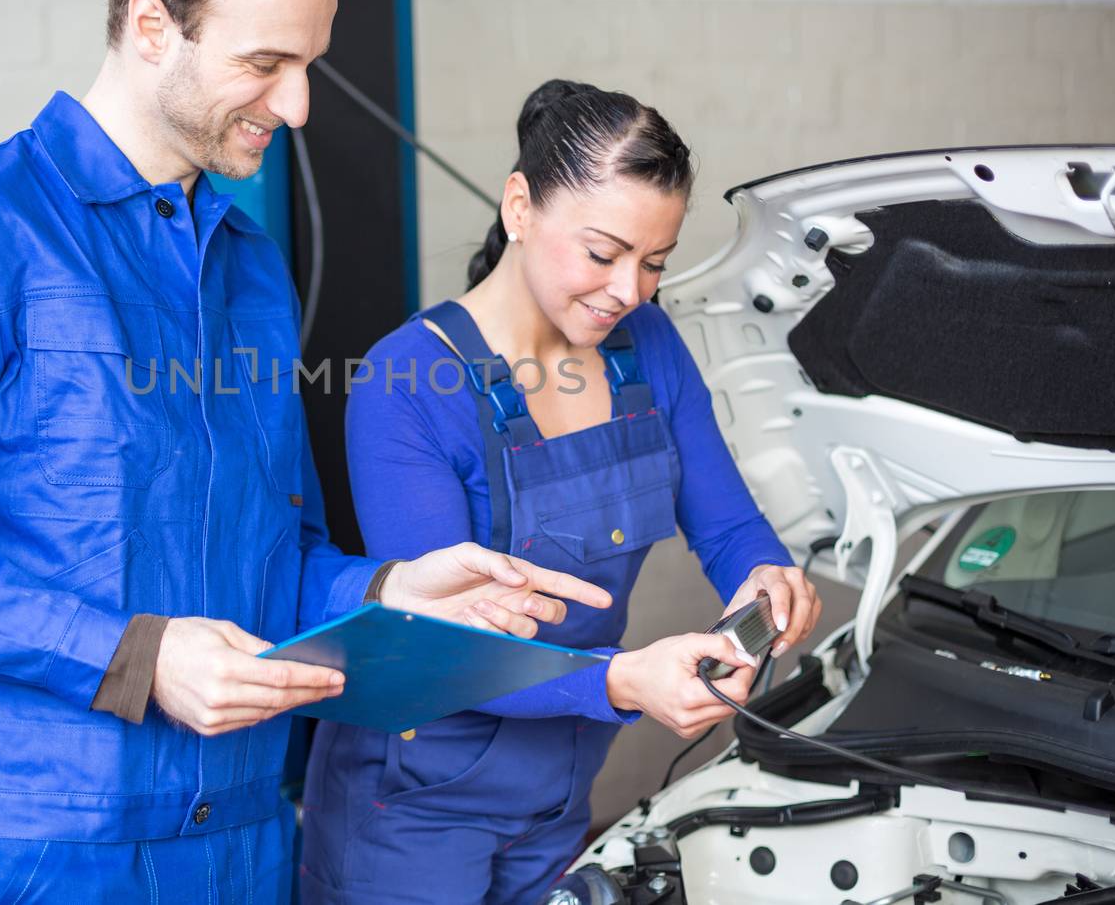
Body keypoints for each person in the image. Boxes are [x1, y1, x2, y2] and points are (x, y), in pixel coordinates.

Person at [0, 0, 610, 904]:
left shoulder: (248, 267)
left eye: (309, 62)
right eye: (266, 60)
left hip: (240, 818)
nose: (300, 103)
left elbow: (276, 556)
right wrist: (137, 656)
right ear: (151, 24)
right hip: (52, 836)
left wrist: (388, 589)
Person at [299, 80, 824, 904]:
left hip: (560, 796)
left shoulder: (645, 343)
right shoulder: (407, 380)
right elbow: (446, 647)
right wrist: (623, 680)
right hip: (409, 812)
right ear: (519, 206)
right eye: (604, 253)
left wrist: (765, 574)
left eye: (656, 261)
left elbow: (728, 526)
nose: (631, 291)